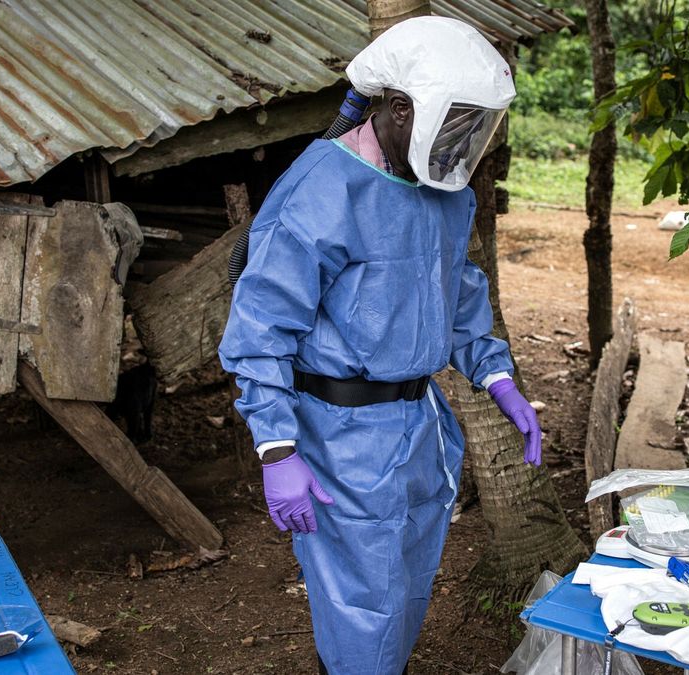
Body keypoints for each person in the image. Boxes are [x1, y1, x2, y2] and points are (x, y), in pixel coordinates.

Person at [218, 17, 541, 674]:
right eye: (454, 122)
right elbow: (260, 331)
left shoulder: (445, 194)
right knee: (361, 608)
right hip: (340, 437)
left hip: (421, 428)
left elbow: (459, 294)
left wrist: (497, 376)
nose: (461, 142)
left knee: (404, 590)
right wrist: (277, 447)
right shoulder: (321, 192)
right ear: (399, 109)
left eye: (474, 126)